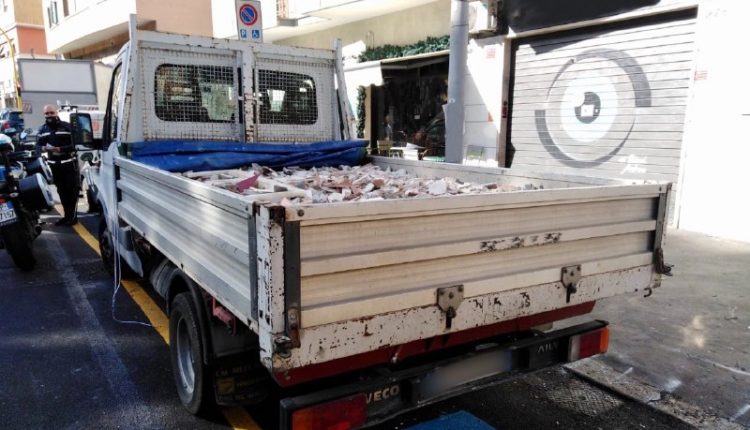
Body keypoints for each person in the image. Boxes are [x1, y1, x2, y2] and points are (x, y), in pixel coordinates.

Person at [37, 105, 79, 226]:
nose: (49, 115)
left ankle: (73, 217)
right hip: (54, 166)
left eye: (51, 113)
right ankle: (67, 216)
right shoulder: (42, 130)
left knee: (72, 191)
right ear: (44, 115)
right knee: (61, 191)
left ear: (56, 113)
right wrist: (43, 148)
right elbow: (37, 146)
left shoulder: (67, 127)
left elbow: (75, 144)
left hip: (68, 164)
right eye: (47, 113)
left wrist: (61, 149)